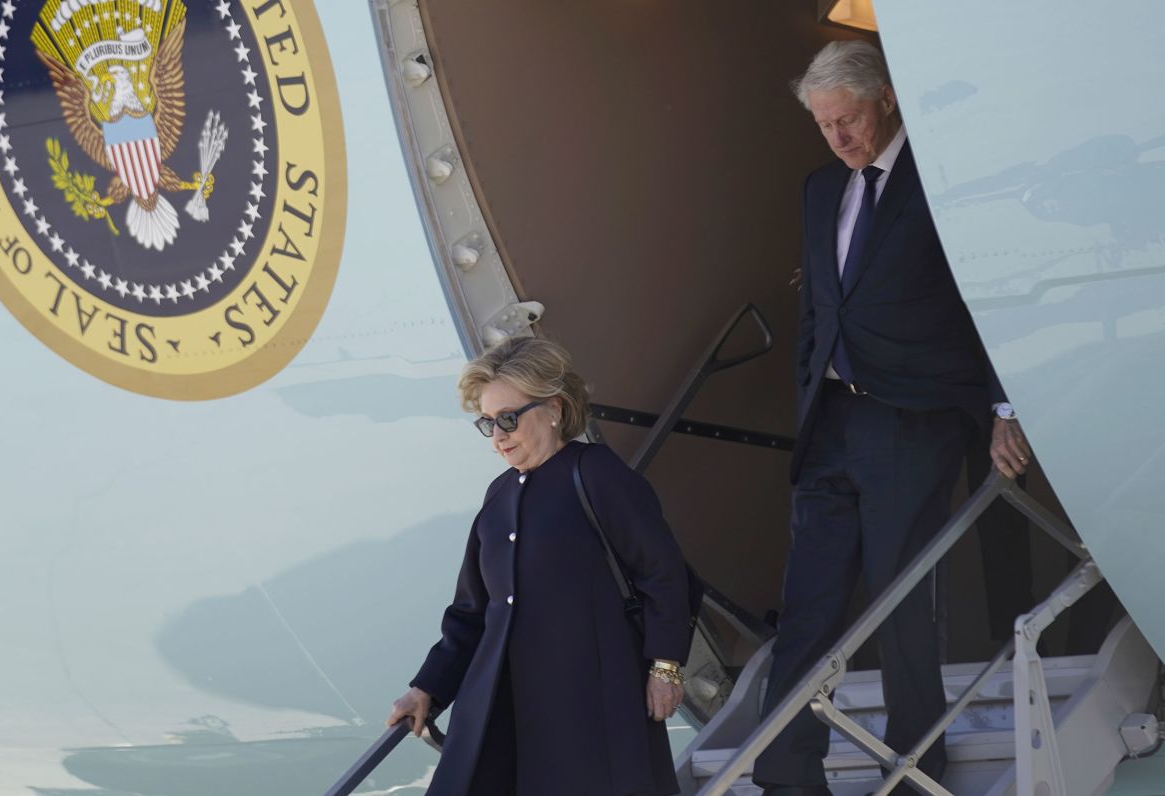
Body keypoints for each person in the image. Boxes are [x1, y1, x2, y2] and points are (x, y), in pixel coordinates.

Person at [754, 41, 1033, 795]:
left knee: (900, 597)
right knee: (810, 596)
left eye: (848, 120)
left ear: (884, 99)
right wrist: (810, 402)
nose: (839, 138)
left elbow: (990, 299)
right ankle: (786, 766)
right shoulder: (821, 189)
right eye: (824, 126)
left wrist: (1003, 406)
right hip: (834, 424)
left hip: (917, 417)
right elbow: (819, 311)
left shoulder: (942, 179)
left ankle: (917, 765)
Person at [386, 336, 693, 796]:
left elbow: (664, 573)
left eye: (508, 418)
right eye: (487, 423)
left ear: (553, 407)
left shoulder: (597, 474)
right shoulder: (498, 497)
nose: (499, 435)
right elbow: (472, 614)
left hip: (591, 706)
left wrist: (665, 667)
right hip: (504, 711)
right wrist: (426, 688)